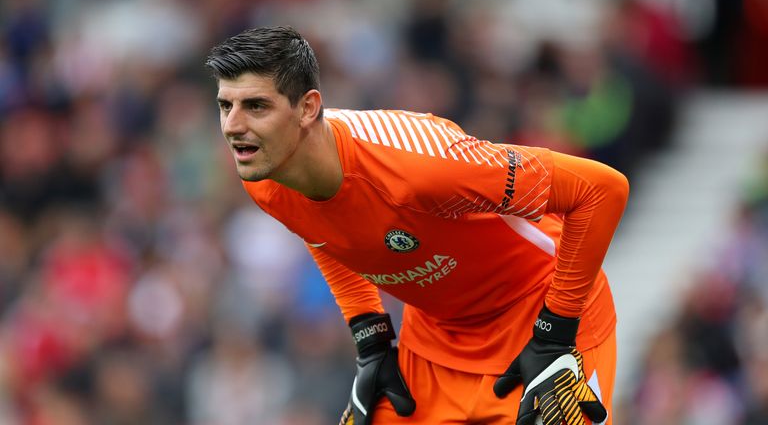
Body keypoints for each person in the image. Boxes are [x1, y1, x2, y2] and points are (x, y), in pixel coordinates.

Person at [205, 26, 629, 425]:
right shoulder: (266, 175)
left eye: (256, 106)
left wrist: (555, 331)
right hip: (436, 340)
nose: (234, 126)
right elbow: (322, 232)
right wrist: (370, 335)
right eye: (226, 106)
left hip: (542, 320)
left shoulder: (422, 164)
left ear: (308, 108)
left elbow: (601, 189)